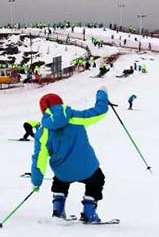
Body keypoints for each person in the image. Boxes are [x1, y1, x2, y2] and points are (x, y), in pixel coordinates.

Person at [30, 89, 110, 223]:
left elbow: (39, 159)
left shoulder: (43, 132)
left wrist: (36, 182)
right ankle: (89, 212)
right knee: (97, 180)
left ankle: (58, 211)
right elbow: (100, 111)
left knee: (60, 181)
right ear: (61, 104)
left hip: (62, 172)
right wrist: (102, 93)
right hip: (87, 168)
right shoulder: (75, 118)